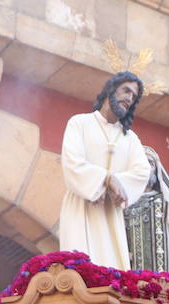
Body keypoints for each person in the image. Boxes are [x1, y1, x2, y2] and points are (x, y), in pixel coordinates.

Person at [59, 72, 153, 269]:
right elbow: (72, 161)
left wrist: (115, 185)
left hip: (110, 214)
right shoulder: (80, 123)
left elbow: (142, 172)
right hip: (80, 208)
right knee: (78, 270)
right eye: (126, 90)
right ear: (111, 89)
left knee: (111, 269)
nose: (129, 98)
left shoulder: (130, 139)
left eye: (134, 96)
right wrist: (105, 180)